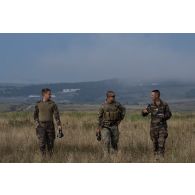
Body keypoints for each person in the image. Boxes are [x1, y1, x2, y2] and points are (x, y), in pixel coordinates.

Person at [142, 90, 172, 161]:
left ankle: (161, 158)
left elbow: (169, 114)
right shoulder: (150, 105)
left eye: (152, 95)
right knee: (155, 144)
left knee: (161, 143)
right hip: (153, 129)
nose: (151, 96)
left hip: (162, 128)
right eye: (151, 95)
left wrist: (163, 116)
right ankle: (156, 159)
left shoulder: (165, 104)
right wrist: (143, 112)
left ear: (157, 95)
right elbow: (144, 114)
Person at [34, 88, 63, 157]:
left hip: (50, 126)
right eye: (49, 94)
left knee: (50, 143)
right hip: (41, 126)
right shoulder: (38, 104)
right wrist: (37, 123)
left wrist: (59, 125)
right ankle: (43, 157)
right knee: (42, 143)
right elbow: (35, 115)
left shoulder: (52, 104)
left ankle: (50, 157)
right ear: (44, 94)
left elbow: (56, 116)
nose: (50, 95)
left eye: (50, 94)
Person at [97, 91, 126, 156]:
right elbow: (99, 117)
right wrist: (98, 128)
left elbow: (123, 110)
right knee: (106, 141)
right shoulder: (103, 106)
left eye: (114, 96)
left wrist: (120, 119)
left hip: (114, 126)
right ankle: (106, 156)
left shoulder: (117, 104)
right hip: (105, 126)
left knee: (114, 142)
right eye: (112, 96)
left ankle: (114, 157)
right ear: (108, 97)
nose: (114, 98)